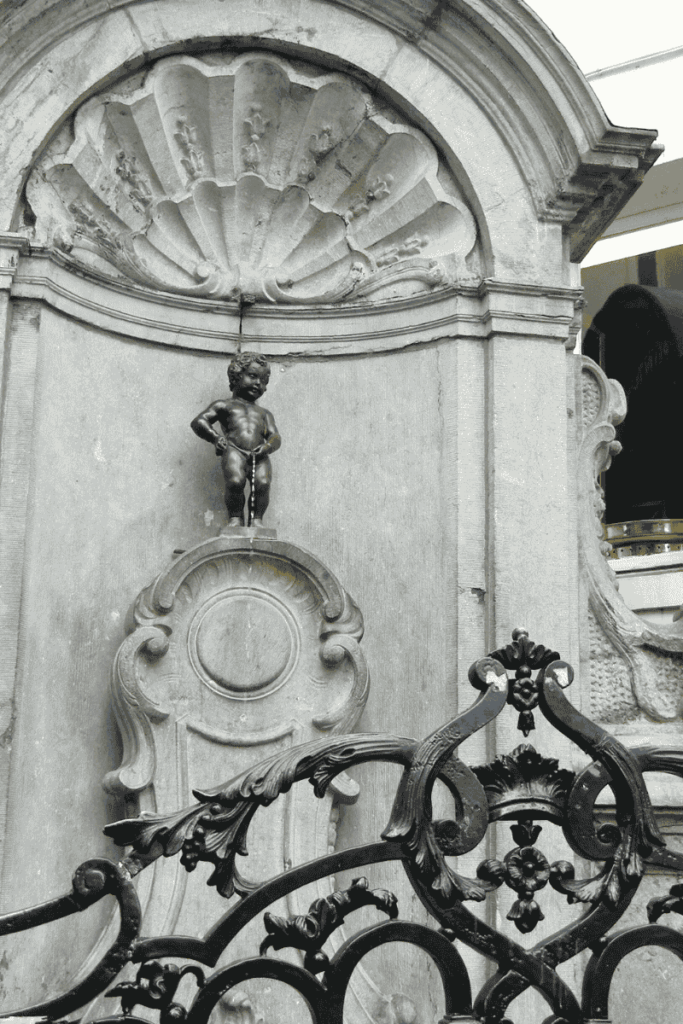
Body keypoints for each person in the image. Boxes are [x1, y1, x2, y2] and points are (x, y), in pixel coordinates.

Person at [191, 353, 281, 526]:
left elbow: (275, 436)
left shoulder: (264, 413)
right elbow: (199, 422)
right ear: (236, 376)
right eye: (253, 376)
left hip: (260, 454)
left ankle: (256, 521)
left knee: (262, 483)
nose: (257, 383)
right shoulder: (224, 405)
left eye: (263, 380)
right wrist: (215, 438)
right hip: (234, 450)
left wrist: (267, 447)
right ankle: (236, 518)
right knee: (235, 481)